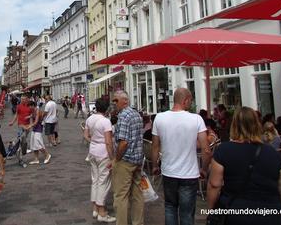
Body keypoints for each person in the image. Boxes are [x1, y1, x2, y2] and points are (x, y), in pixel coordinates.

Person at [207, 106, 281, 225]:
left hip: (236, 213)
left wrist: (211, 212)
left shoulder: (224, 151)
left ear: (234, 125)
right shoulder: (272, 153)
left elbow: (215, 184)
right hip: (271, 213)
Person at [152, 87, 210, 225]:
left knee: (170, 207)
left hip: (169, 172)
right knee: (186, 212)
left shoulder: (159, 118)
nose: (191, 103)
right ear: (186, 100)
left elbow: (155, 146)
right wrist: (204, 169)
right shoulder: (196, 119)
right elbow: (206, 149)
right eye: (190, 100)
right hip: (189, 174)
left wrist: (155, 166)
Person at [111, 91, 144, 225]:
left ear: (124, 101)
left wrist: (116, 159)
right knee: (137, 194)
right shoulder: (136, 114)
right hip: (137, 160)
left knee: (121, 196)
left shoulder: (124, 116)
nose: (114, 103)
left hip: (126, 160)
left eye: (116, 101)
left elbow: (123, 142)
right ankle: (138, 222)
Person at [84, 98, 116, 223]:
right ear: (107, 108)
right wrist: (112, 158)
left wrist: (94, 141)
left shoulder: (90, 119)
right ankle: (102, 212)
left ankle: (95, 208)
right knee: (103, 181)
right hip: (103, 153)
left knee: (95, 180)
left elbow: (85, 135)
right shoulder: (105, 122)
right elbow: (108, 142)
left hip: (92, 152)